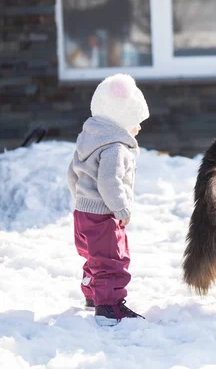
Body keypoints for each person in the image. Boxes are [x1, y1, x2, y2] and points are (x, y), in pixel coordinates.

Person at [67, 73, 149, 326]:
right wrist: (120, 208)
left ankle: (93, 295)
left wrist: (81, 201)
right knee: (112, 259)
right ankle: (109, 307)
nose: (139, 127)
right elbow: (108, 181)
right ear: (121, 119)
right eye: (136, 121)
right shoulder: (115, 147)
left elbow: (72, 173)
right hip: (104, 214)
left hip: (83, 213)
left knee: (94, 256)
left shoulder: (88, 141)